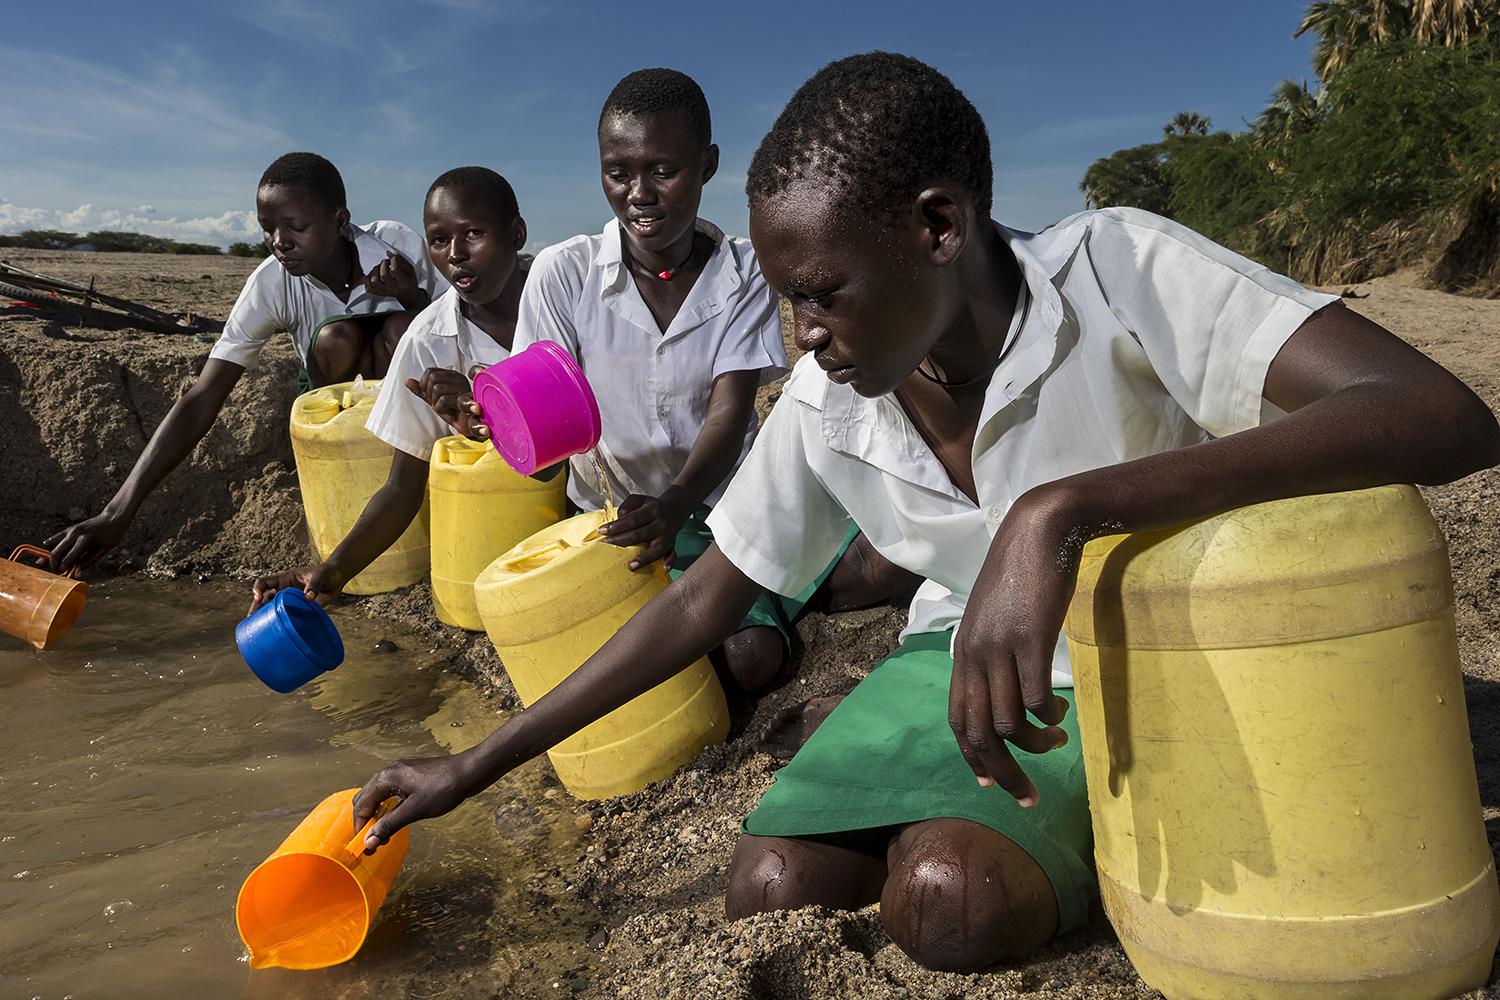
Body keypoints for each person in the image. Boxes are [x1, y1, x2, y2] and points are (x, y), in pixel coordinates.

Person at [351, 52, 1498, 972]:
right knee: (770, 888)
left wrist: (1062, 511)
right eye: (787, 293)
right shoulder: (826, 397)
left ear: (938, 228)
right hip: (952, 657)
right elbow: (707, 596)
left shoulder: (1118, 272)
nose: (798, 329)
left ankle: (987, 839)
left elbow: (1436, 413)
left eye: (821, 292)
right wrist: (478, 766)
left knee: (948, 899)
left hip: (1154, 656)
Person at [458, 68, 912, 691]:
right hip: (620, 514)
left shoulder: (742, 271)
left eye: (663, 172)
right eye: (619, 173)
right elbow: (547, 443)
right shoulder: (565, 274)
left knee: (892, 558)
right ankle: (754, 597)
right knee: (750, 655)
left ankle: (754, 585)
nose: (639, 193)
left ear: (707, 165)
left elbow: (729, 415)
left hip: (721, 499)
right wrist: (504, 426)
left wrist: (676, 504)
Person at [45, 152, 443, 573]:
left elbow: (451, 331)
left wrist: (411, 295)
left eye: (297, 227)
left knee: (403, 327)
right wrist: (117, 512)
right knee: (336, 338)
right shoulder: (271, 282)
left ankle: (407, 474)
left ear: (341, 220)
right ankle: (358, 472)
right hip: (338, 412)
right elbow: (204, 394)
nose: (280, 242)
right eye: (267, 229)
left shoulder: (394, 246)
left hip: (410, 404)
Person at [248, 166, 528, 611]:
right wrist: (335, 569)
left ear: (516, 233)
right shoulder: (429, 341)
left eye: (473, 233)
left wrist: (484, 393)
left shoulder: (562, 294)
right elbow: (401, 486)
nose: (455, 254)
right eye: (438, 241)